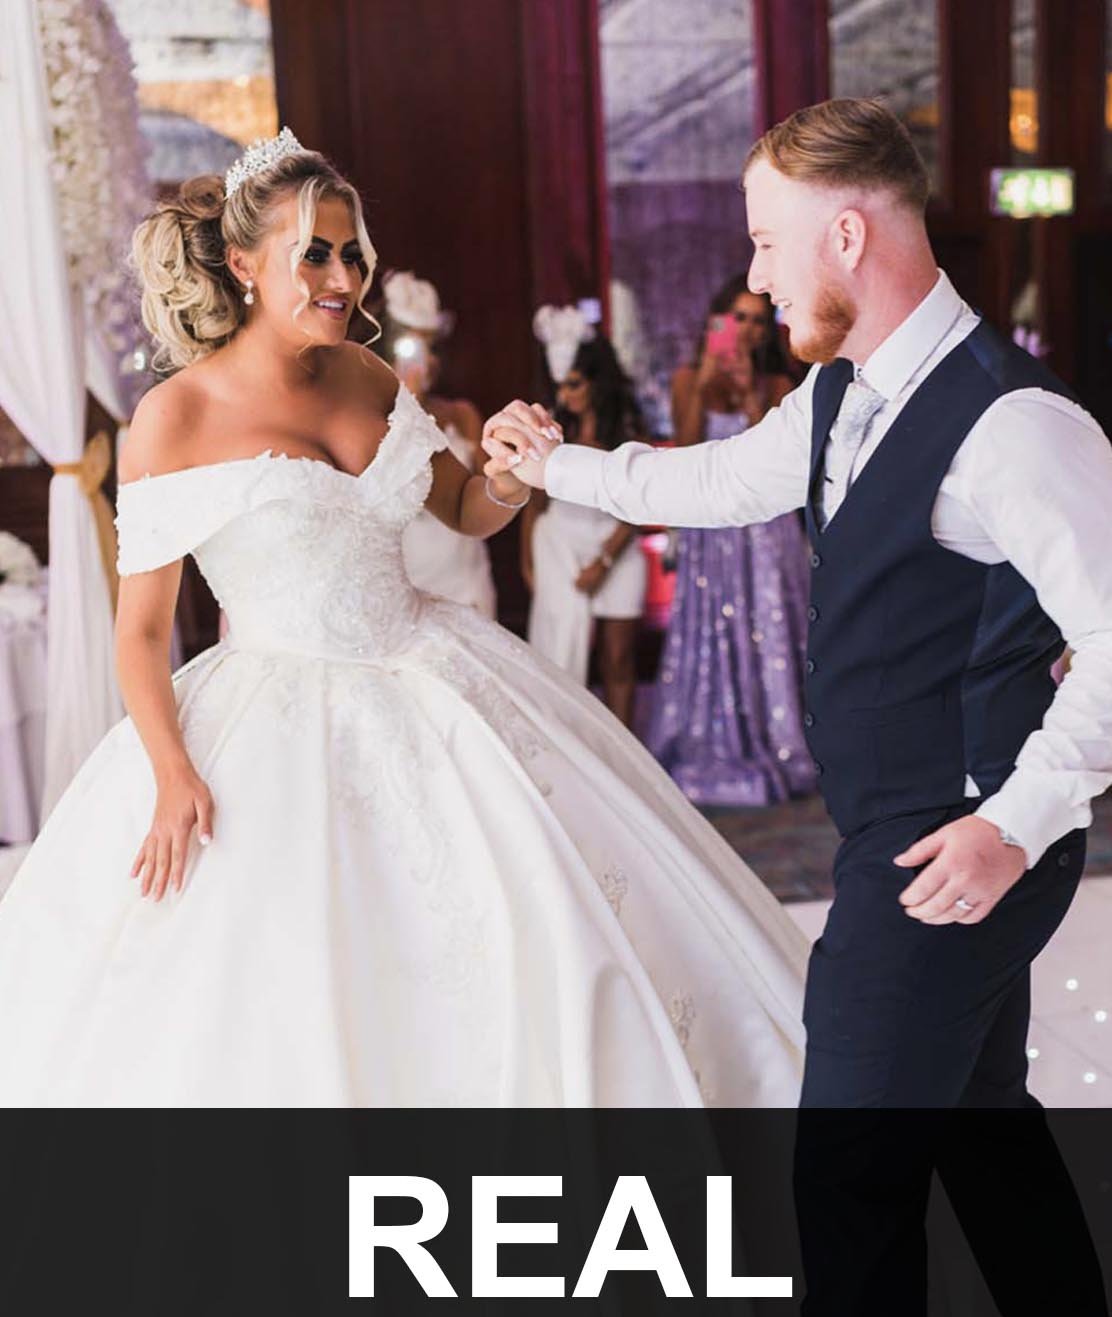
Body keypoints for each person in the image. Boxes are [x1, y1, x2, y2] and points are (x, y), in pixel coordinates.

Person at [483, 98, 1112, 1317]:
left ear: (850, 230)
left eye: (771, 243)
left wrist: (1013, 824)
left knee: (845, 1173)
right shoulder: (843, 392)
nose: (758, 276)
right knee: (978, 1127)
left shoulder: (1018, 425)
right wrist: (553, 467)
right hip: (904, 834)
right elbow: (713, 484)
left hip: (952, 850)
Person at [0, 130, 806, 1109]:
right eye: (314, 254)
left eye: (350, 253)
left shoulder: (372, 380)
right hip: (274, 706)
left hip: (438, 672)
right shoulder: (175, 417)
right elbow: (140, 633)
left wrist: (512, 470)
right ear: (245, 263)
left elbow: (465, 508)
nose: (342, 277)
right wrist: (172, 776)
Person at [650, 280, 816, 804]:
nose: (745, 330)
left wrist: (748, 395)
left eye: (756, 322)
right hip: (708, 526)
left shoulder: (777, 387)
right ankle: (708, 736)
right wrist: (705, 381)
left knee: (771, 629)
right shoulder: (686, 380)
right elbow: (686, 445)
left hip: (764, 531)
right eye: (736, 318)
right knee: (709, 626)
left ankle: (781, 742)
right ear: (717, 323)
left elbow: (769, 458)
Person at [522, 309, 647, 727]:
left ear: (597, 380)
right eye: (561, 385)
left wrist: (606, 559)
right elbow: (533, 500)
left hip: (617, 546)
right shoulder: (553, 427)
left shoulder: (626, 428)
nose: (567, 394)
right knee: (563, 655)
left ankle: (627, 757)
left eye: (574, 384)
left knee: (619, 658)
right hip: (561, 542)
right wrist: (527, 561)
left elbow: (638, 502)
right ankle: (578, 748)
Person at [380, 269, 497, 618]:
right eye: (413, 348)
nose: (423, 359)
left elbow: (482, 486)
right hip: (408, 571)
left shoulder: (461, 415)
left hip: (463, 569)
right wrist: (406, 407)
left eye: (427, 348)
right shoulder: (370, 420)